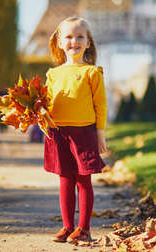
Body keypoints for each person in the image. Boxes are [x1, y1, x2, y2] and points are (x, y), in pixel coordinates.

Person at [44, 17, 108, 243]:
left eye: (80, 36)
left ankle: (84, 228)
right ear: (60, 43)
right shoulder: (52, 74)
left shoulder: (92, 73)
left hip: (84, 133)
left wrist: (100, 133)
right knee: (65, 179)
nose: (74, 41)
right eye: (69, 37)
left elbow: (100, 105)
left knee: (83, 180)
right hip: (59, 133)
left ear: (88, 43)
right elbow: (47, 104)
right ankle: (67, 226)